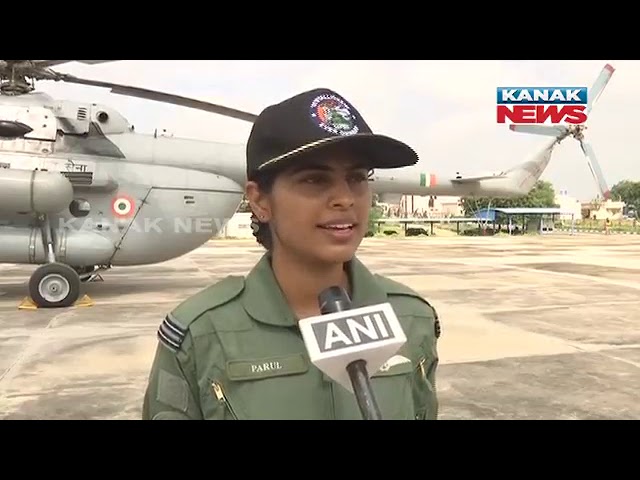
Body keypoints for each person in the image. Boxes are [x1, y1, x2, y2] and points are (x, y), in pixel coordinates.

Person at [141, 88, 441, 420]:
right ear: (259, 201)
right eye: (314, 179)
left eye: (357, 178)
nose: (345, 198)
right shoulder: (199, 334)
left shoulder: (412, 318)